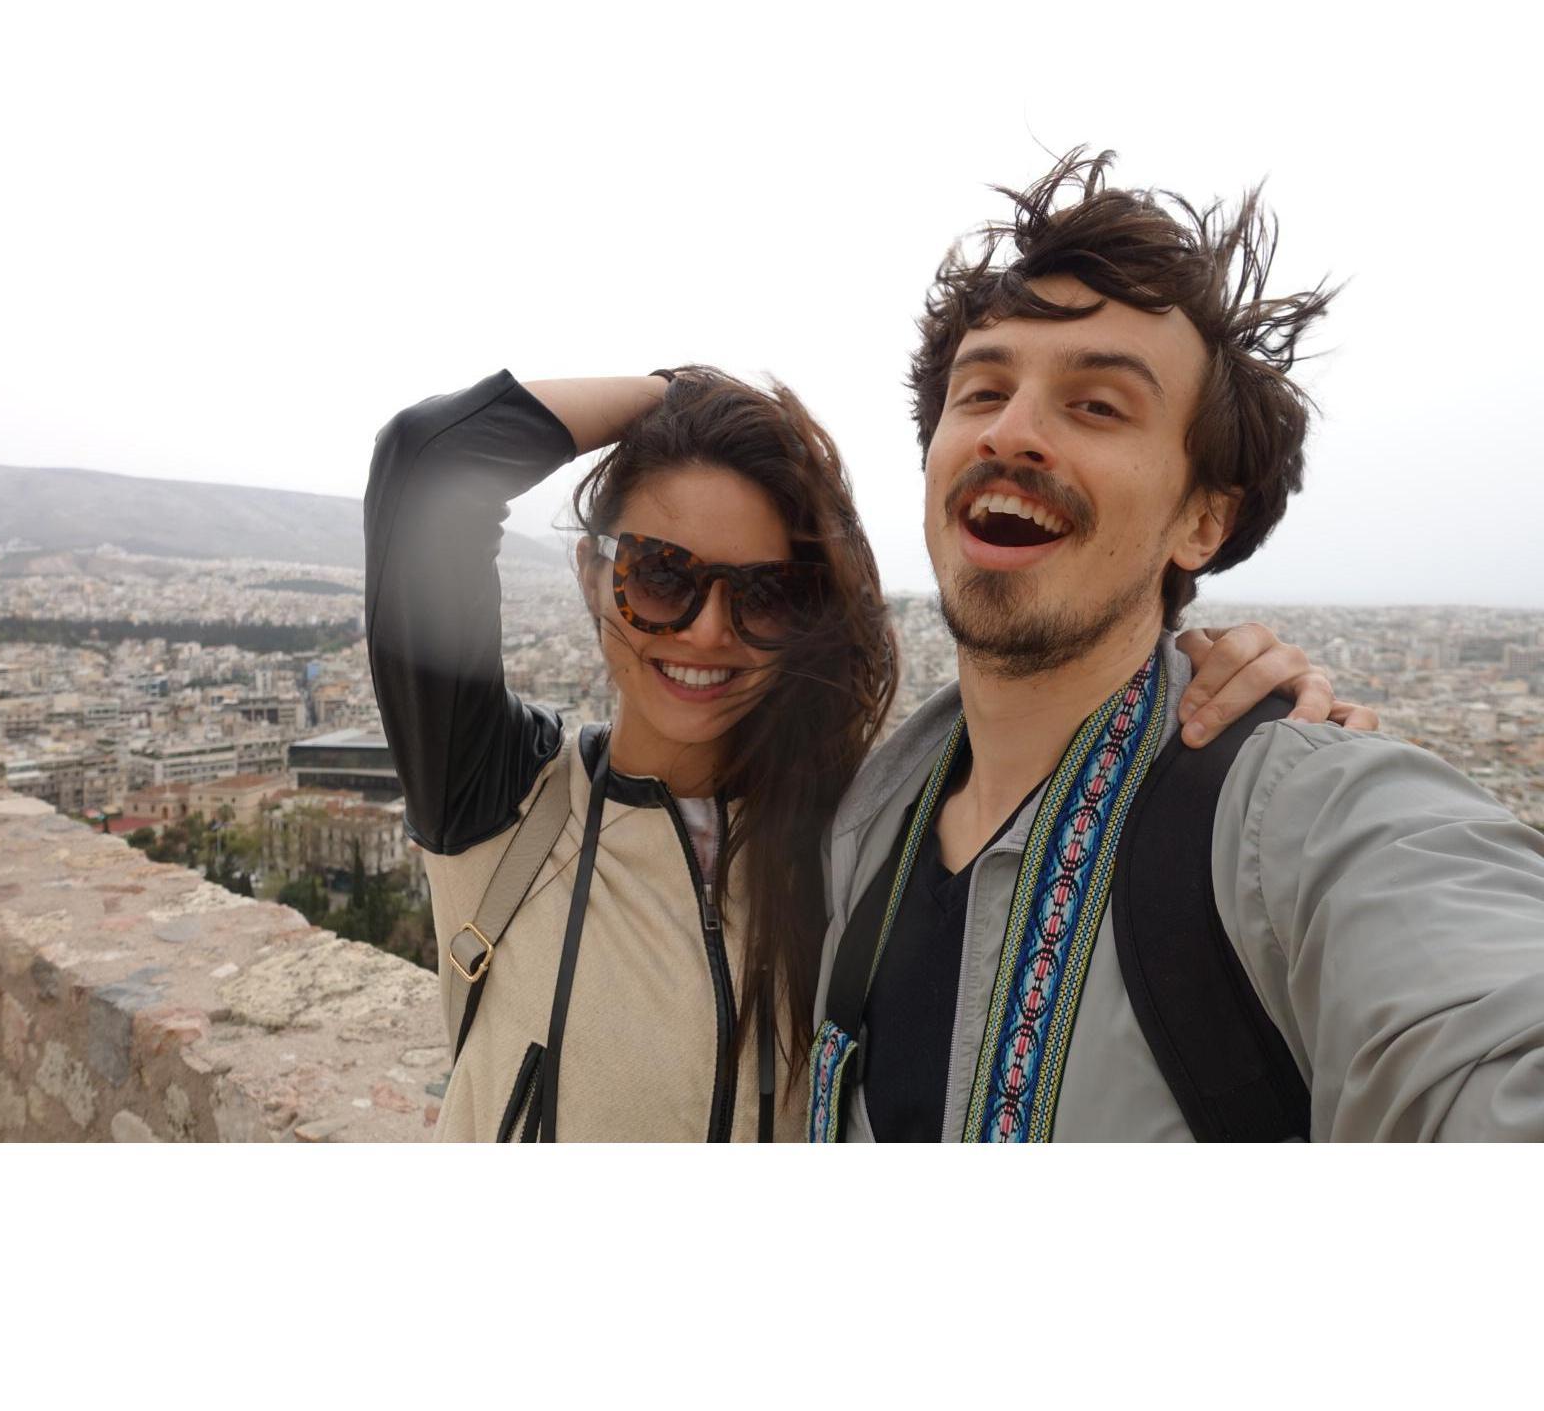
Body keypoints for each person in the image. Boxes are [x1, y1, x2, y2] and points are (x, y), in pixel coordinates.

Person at [366, 358, 1363, 1142]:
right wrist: (690, 396)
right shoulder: (505, 801)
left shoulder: (870, 830)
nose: (707, 632)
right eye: (661, 576)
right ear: (592, 575)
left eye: (766, 595)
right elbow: (430, 465)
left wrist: (1222, 692)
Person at [811, 149, 1544, 1143]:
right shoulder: (866, 823)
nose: (1011, 431)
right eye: (979, 392)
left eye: (1096, 404)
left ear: (1201, 519)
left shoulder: (1291, 822)